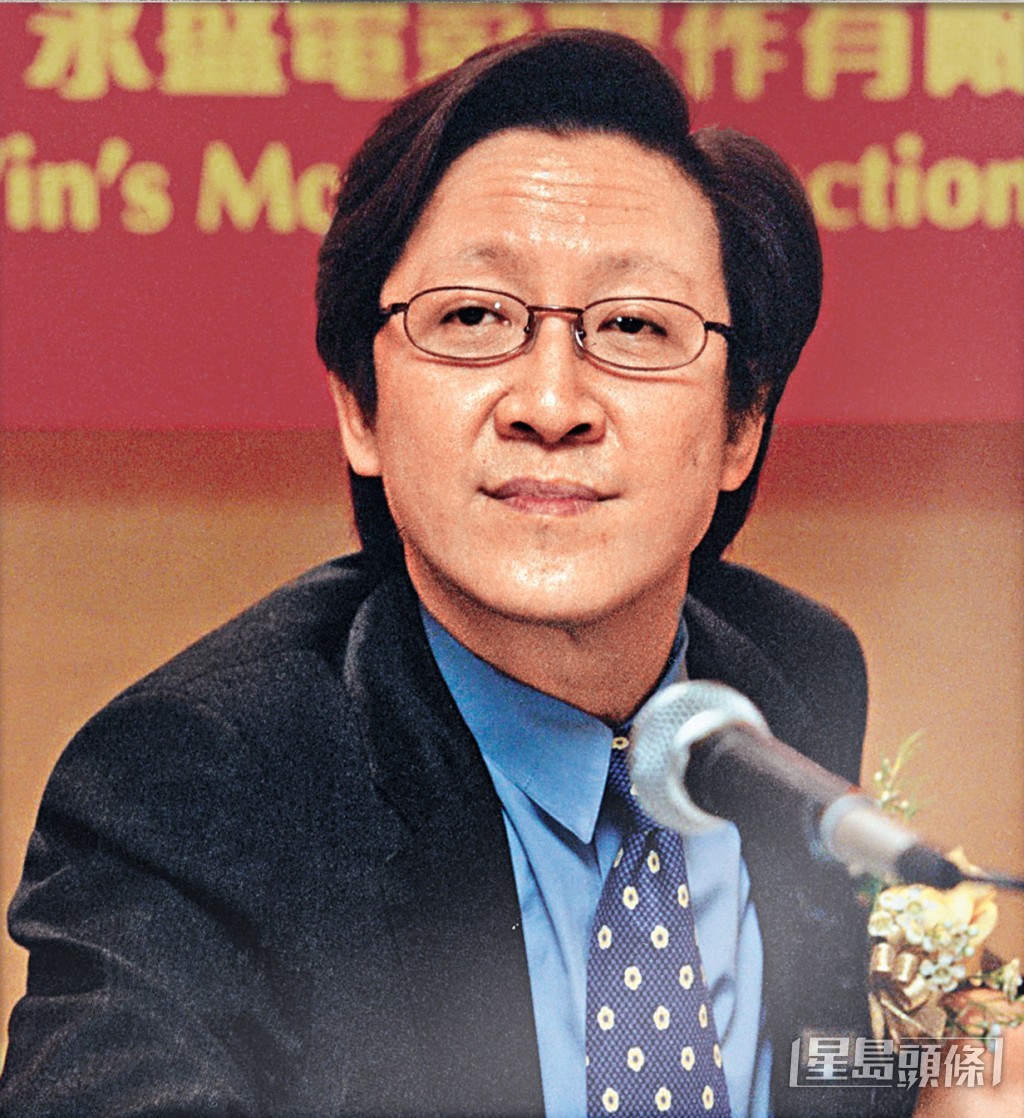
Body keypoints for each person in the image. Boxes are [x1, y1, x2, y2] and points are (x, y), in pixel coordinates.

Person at [0, 29, 909, 1118]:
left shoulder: (789, 675)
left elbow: (825, 1065)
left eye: (633, 324)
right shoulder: (193, 784)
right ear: (360, 405)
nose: (551, 404)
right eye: (473, 317)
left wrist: (953, 1078)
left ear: (741, 427)